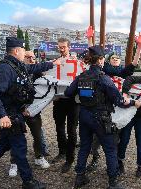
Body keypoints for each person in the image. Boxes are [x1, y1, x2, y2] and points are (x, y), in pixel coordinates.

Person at [0, 37, 60, 189]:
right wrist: (1, 115)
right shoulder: (5, 68)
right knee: (20, 147)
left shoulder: (17, 65)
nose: (25, 54)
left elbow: (32, 69)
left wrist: (52, 63)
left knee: (3, 145)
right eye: (23, 50)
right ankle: (28, 181)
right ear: (17, 50)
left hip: (15, 112)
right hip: (10, 116)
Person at [65, 45, 140, 189]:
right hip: (100, 118)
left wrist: (83, 94)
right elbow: (118, 100)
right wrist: (133, 102)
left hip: (84, 116)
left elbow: (68, 93)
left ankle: (79, 177)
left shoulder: (81, 76)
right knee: (110, 149)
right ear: (100, 60)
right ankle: (113, 182)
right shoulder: (104, 78)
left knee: (84, 147)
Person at [85, 26, 141, 171]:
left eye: (118, 58)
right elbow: (93, 56)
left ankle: (117, 162)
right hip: (104, 107)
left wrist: (139, 46)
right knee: (97, 137)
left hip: (120, 108)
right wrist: (89, 39)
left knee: (118, 138)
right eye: (113, 58)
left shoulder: (125, 73)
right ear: (108, 60)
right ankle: (95, 158)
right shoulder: (104, 69)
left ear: (120, 61)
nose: (115, 60)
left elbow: (134, 64)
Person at [8, 51, 50, 178]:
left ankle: (39, 156)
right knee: (16, 136)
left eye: (33, 57)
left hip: (33, 109)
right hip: (17, 110)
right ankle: (14, 163)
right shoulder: (13, 70)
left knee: (37, 135)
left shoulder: (37, 72)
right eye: (28, 57)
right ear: (22, 58)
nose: (32, 60)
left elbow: (46, 85)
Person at [51, 38, 79, 175]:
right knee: (59, 128)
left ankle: (70, 158)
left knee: (71, 130)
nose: (61, 49)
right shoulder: (55, 61)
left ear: (69, 47)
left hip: (73, 101)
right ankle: (62, 152)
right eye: (59, 47)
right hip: (59, 100)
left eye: (63, 47)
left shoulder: (76, 61)